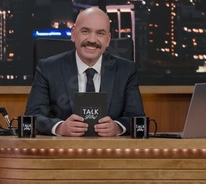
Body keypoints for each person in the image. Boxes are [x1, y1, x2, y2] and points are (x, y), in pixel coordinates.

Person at [25, 7, 145, 136]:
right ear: (73, 34)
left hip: (110, 152)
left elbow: (138, 118)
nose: (92, 40)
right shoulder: (47, 68)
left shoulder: (126, 70)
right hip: (63, 151)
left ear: (108, 39)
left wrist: (118, 127)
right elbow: (32, 117)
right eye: (85, 31)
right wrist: (60, 127)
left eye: (100, 33)